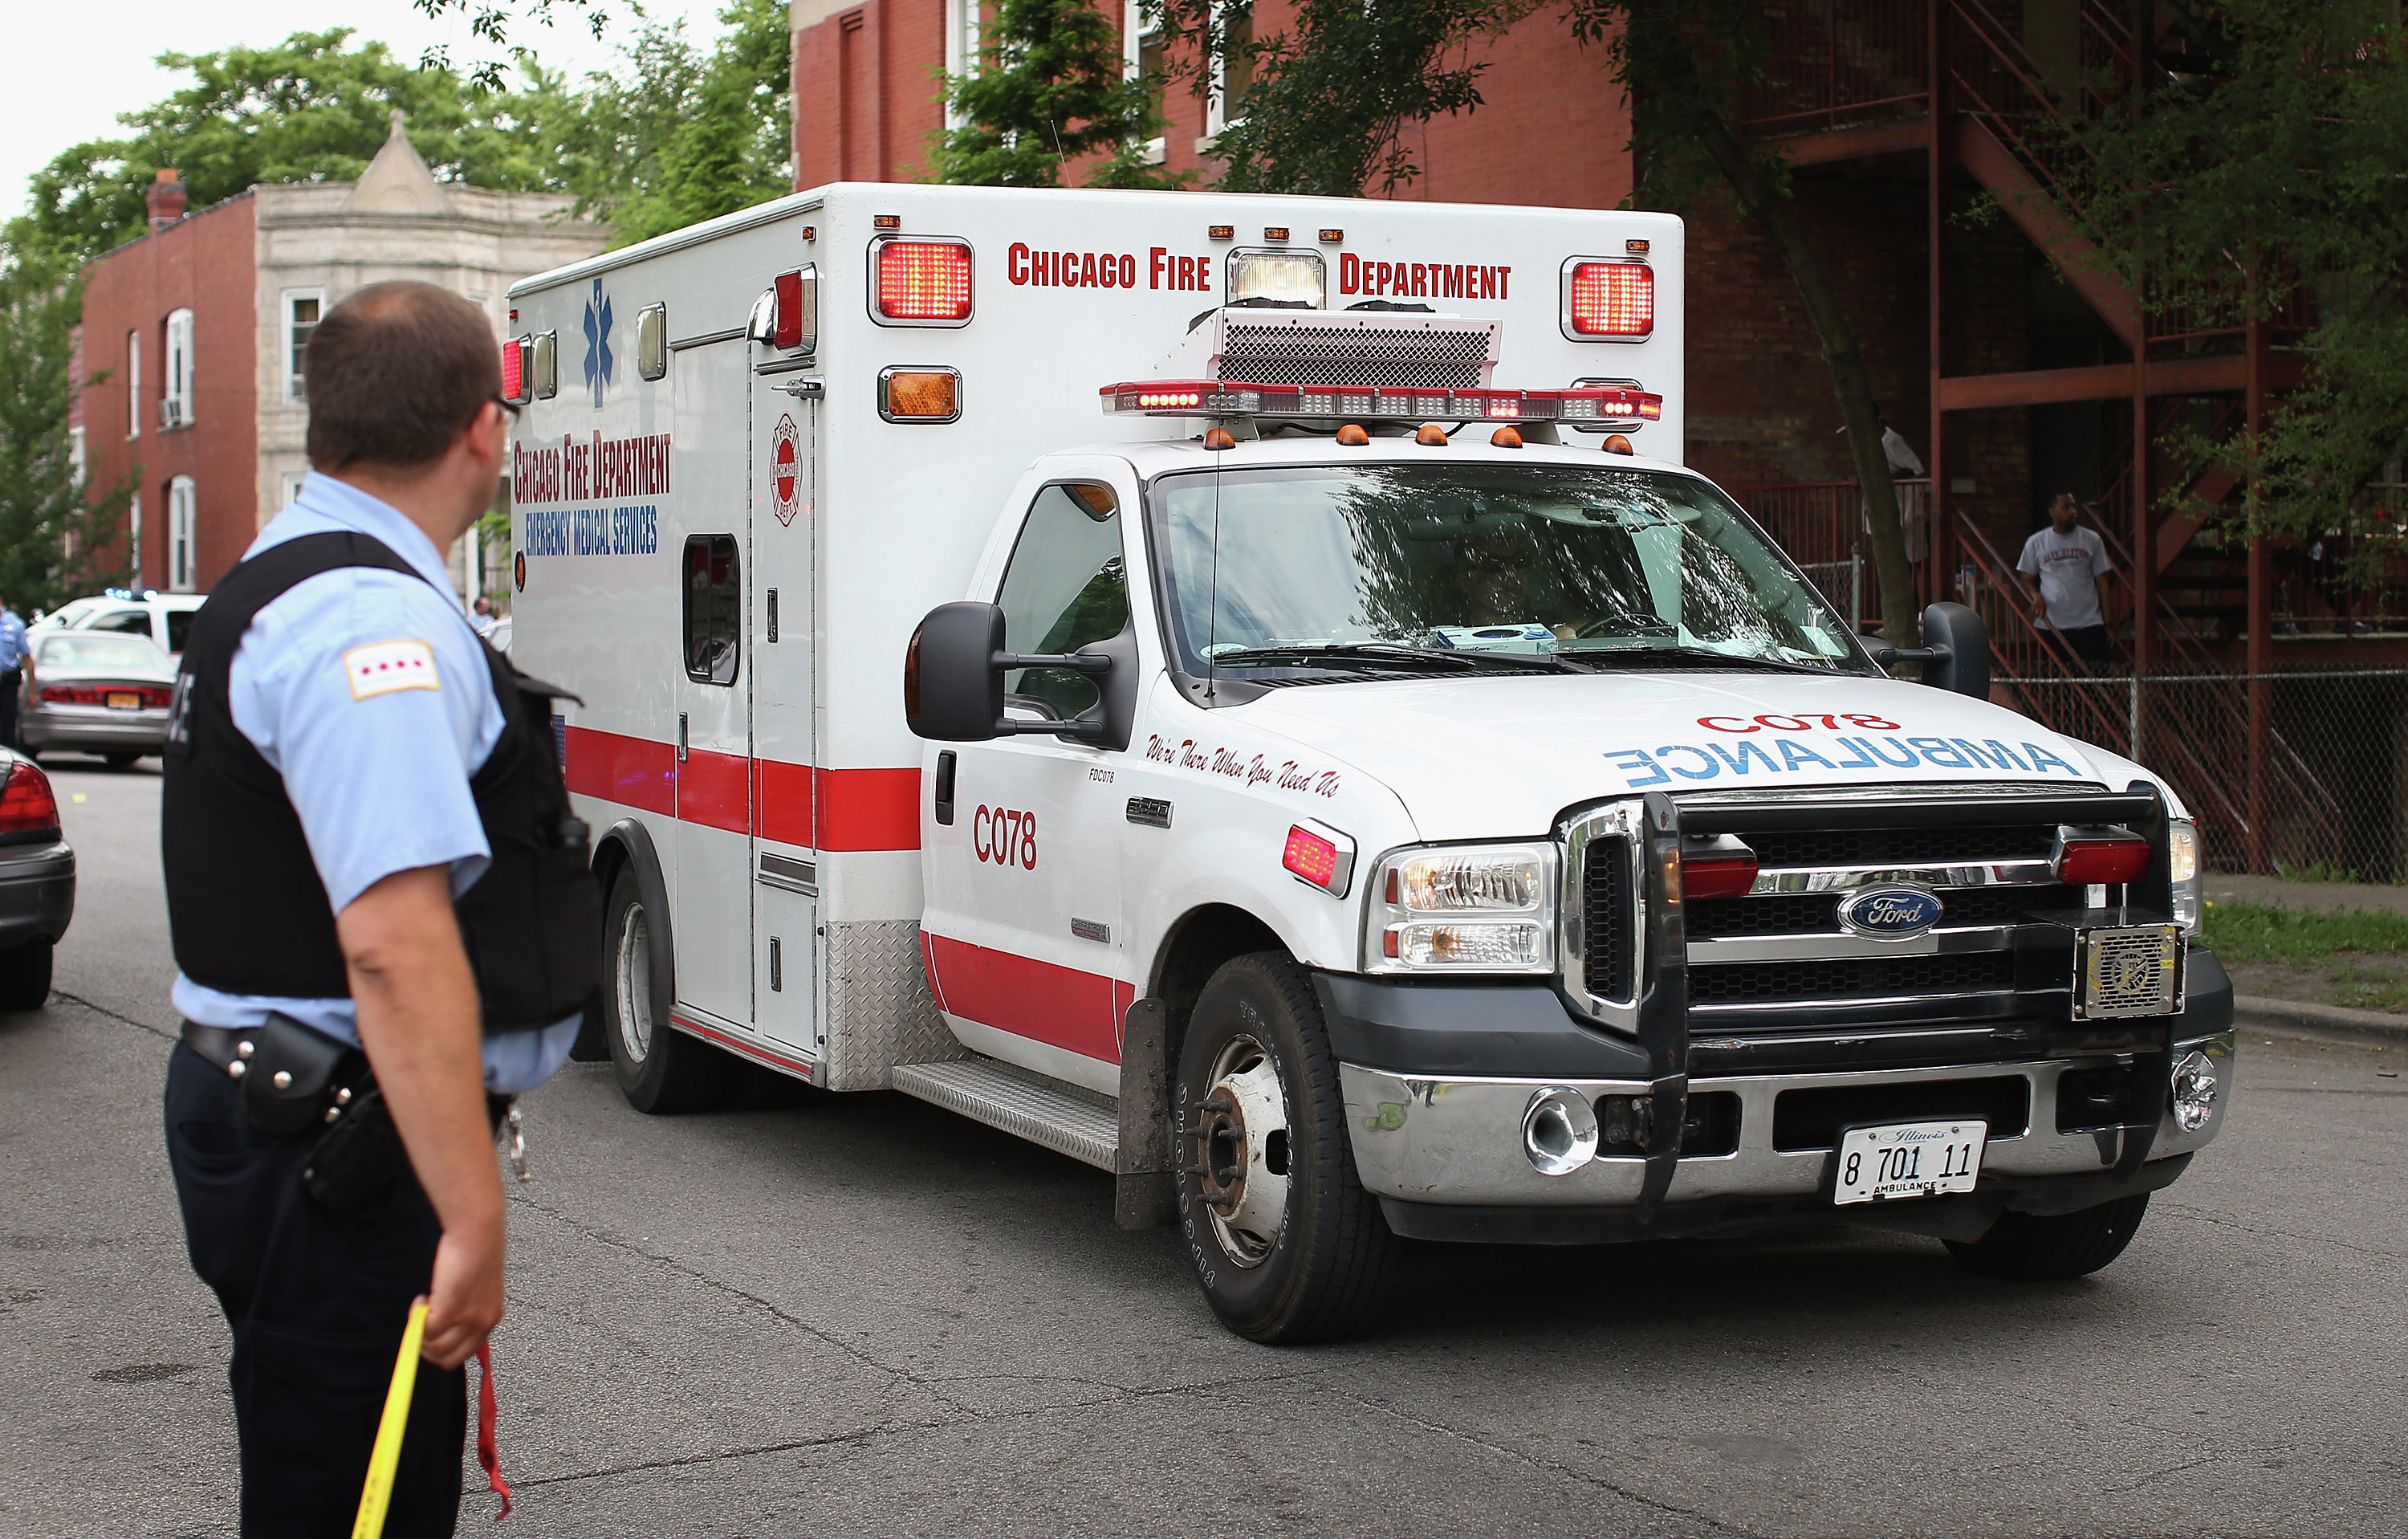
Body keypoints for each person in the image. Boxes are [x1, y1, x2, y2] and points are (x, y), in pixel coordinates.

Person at [160, 281, 600, 1537]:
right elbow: (395, 945)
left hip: (288, 1111)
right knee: (358, 1508)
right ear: (483, 427)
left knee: (329, 1476)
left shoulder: (279, 576)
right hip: (340, 1146)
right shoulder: (370, 623)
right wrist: (473, 1215)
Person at [2015, 493, 2115, 668]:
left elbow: (2102, 582)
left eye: (2074, 506)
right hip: (2052, 626)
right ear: (2052, 512)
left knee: (2096, 678)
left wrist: (2108, 623)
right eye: (2066, 507)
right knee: (2054, 681)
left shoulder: (2092, 540)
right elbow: (2026, 578)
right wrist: (2035, 594)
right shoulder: (2037, 542)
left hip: (2089, 623)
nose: (2073, 511)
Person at [0, 592, 24, 749]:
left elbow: (27, 656)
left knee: (7, 727)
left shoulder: (14, 624)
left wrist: (32, 691)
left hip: (7, 683)